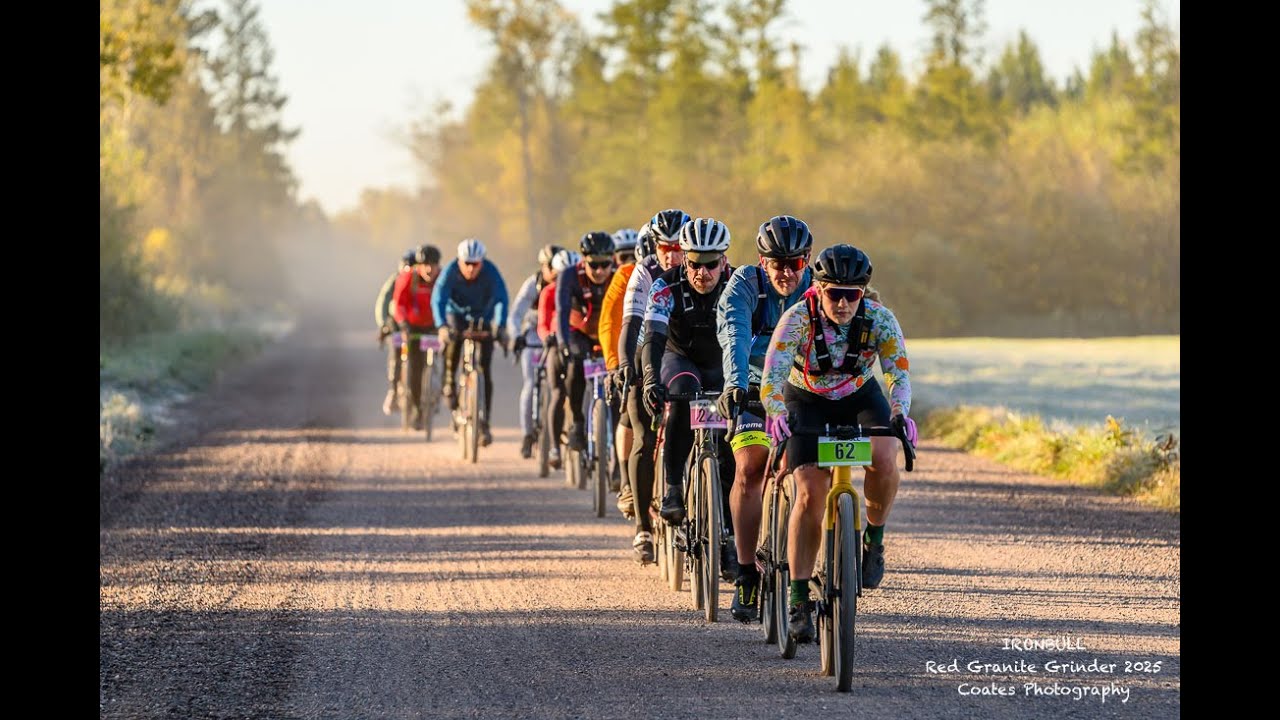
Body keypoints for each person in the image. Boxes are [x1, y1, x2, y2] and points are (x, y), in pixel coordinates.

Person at [759, 243, 917, 645]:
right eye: (835, 293)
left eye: (853, 294)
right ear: (819, 288)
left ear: (863, 293)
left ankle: (874, 540)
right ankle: (797, 599)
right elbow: (772, 378)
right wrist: (777, 413)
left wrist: (900, 413)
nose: (844, 303)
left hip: (860, 396)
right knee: (811, 494)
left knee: (884, 456)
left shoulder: (880, 319)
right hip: (806, 399)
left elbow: (898, 374)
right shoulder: (797, 319)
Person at [715, 215, 814, 622]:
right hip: (753, 384)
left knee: (810, 474)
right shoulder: (743, 284)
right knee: (750, 469)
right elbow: (734, 332)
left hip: (803, 388)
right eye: (778, 263)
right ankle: (745, 575)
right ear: (761, 260)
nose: (787, 272)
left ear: (807, 261)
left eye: (796, 263)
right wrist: (736, 384)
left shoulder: (817, 287)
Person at [640, 217, 738, 579]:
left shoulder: (737, 284)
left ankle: (727, 535)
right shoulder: (665, 287)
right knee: (681, 395)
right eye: (693, 263)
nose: (701, 272)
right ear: (683, 258)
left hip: (723, 364)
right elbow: (651, 337)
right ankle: (673, 487)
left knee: (733, 448)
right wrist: (650, 378)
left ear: (723, 261)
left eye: (710, 264)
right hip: (679, 359)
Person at [621, 210, 689, 563]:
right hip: (646, 352)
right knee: (645, 438)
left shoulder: (703, 268)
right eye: (665, 246)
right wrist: (625, 366)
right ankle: (643, 528)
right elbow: (631, 322)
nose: (671, 254)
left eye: (678, 247)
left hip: (682, 355)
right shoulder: (645, 270)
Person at [432, 238, 510, 446]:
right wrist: (441, 326)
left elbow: (502, 298)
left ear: (482, 262)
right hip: (455, 315)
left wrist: (501, 326)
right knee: (453, 340)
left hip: (482, 315)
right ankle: (449, 380)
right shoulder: (449, 272)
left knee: (485, 367)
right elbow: (438, 299)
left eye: (475, 264)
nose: (470, 268)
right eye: (466, 263)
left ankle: (484, 422)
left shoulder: (491, 272)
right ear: (459, 261)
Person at [552, 231, 616, 455]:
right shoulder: (569, 275)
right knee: (574, 366)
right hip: (579, 330)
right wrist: (563, 344)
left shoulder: (619, 274)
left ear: (613, 261)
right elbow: (561, 311)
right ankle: (578, 423)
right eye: (593, 265)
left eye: (605, 264)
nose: (599, 271)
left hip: (609, 331)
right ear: (583, 260)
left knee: (620, 378)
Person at [598, 228, 642, 515]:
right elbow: (610, 324)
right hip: (631, 350)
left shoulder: (683, 275)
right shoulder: (627, 275)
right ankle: (626, 481)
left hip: (668, 354)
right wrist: (615, 364)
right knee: (628, 410)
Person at [509, 243, 564, 458]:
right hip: (533, 336)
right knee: (531, 383)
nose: (553, 271)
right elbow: (515, 314)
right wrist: (516, 336)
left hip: (557, 336)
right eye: (549, 266)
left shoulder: (566, 284)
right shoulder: (533, 284)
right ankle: (527, 433)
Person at [538, 250, 581, 469]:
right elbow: (543, 323)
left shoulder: (580, 290)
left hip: (578, 343)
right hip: (556, 346)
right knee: (557, 392)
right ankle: (555, 446)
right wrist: (548, 337)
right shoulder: (549, 292)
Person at [392, 245, 442, 430]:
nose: (429, 269)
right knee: (414, 367)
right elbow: (399, 304)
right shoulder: (408, 278)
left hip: (435, 326)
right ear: (418, 265)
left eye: (433, 265)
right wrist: (403, 324)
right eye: (425, 265)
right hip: (412, 328)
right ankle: (416, 408)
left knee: (438, 362)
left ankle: (439, 390)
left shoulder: (442, 279)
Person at [375, 248, 416, 415]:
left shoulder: (422, 281)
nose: (409, 270)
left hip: (416, 325)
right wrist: (384, 324)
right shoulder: (394, 281)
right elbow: (382, 303)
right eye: (407, 266)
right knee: (396, 356)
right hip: (397, 325)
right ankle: (393, 391)